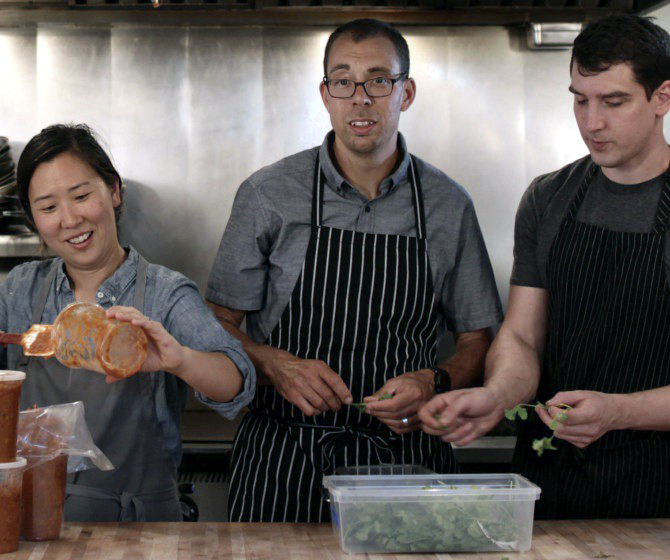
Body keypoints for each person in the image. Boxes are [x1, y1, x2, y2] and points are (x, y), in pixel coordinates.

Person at [207, 19, 503, 522]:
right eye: (343, 81)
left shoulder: (448, 205)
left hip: (406, 465)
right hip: (284, 459)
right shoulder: (268, 194)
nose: (360, 98)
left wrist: (434, 381)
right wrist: (276, 366)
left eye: (378, 80)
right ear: (325, 94)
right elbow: (214, 323)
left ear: (405, 93)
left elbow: (478, 341)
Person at [0, 124, 255, 521]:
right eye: (48, 208)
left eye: (81, 196)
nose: (69, 219)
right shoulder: (22, 289)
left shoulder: (164, 293)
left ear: (114, 192)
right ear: (33, 218)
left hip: (138, 530)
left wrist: (180, 360)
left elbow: (235, 381)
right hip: (34, 523)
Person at [420, 14, 670, 519]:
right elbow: (523, 337)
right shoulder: (548, 197)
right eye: (580, 99)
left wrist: (620, 412)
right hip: (548, 485)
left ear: (663, 98)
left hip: (659, 492)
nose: (591, 122)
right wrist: (496, 395)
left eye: (613, 102)